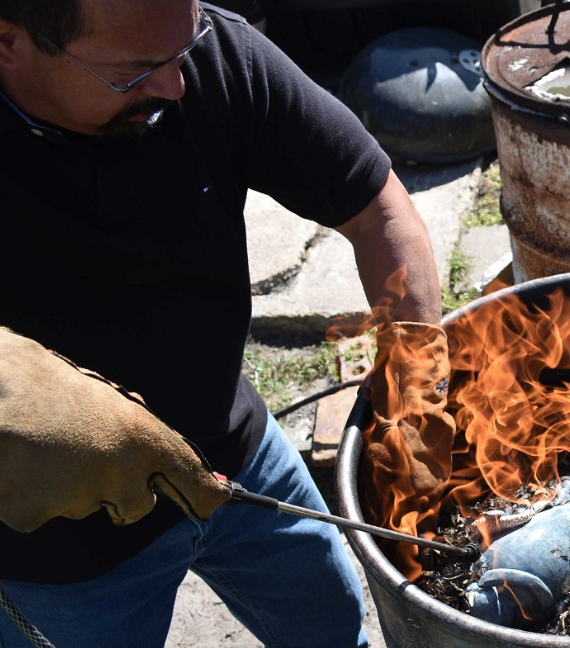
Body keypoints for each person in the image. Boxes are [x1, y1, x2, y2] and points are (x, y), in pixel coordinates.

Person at [0, 1, 454, 647]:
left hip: (239, 457)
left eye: (181, 53)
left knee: (329, 628)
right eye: (134, 73)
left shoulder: (207, 52)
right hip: (57, 555)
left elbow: (376, 209)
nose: (176, 86)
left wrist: (413, 380)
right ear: (9, 43)